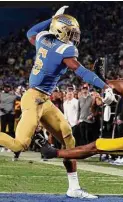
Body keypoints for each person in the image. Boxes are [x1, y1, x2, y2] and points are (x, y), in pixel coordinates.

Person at [0, 6, 115, 199]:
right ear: (60, 31)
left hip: (44, 100)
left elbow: (31, 32)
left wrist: (51, 19)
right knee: (19, 145)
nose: (74, 37)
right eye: (70, 33)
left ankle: (74, 188)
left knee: (68, 137)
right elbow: (81, 71)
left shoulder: (44, 39)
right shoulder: (65, 49)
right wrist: (104, 87)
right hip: (33, 99)